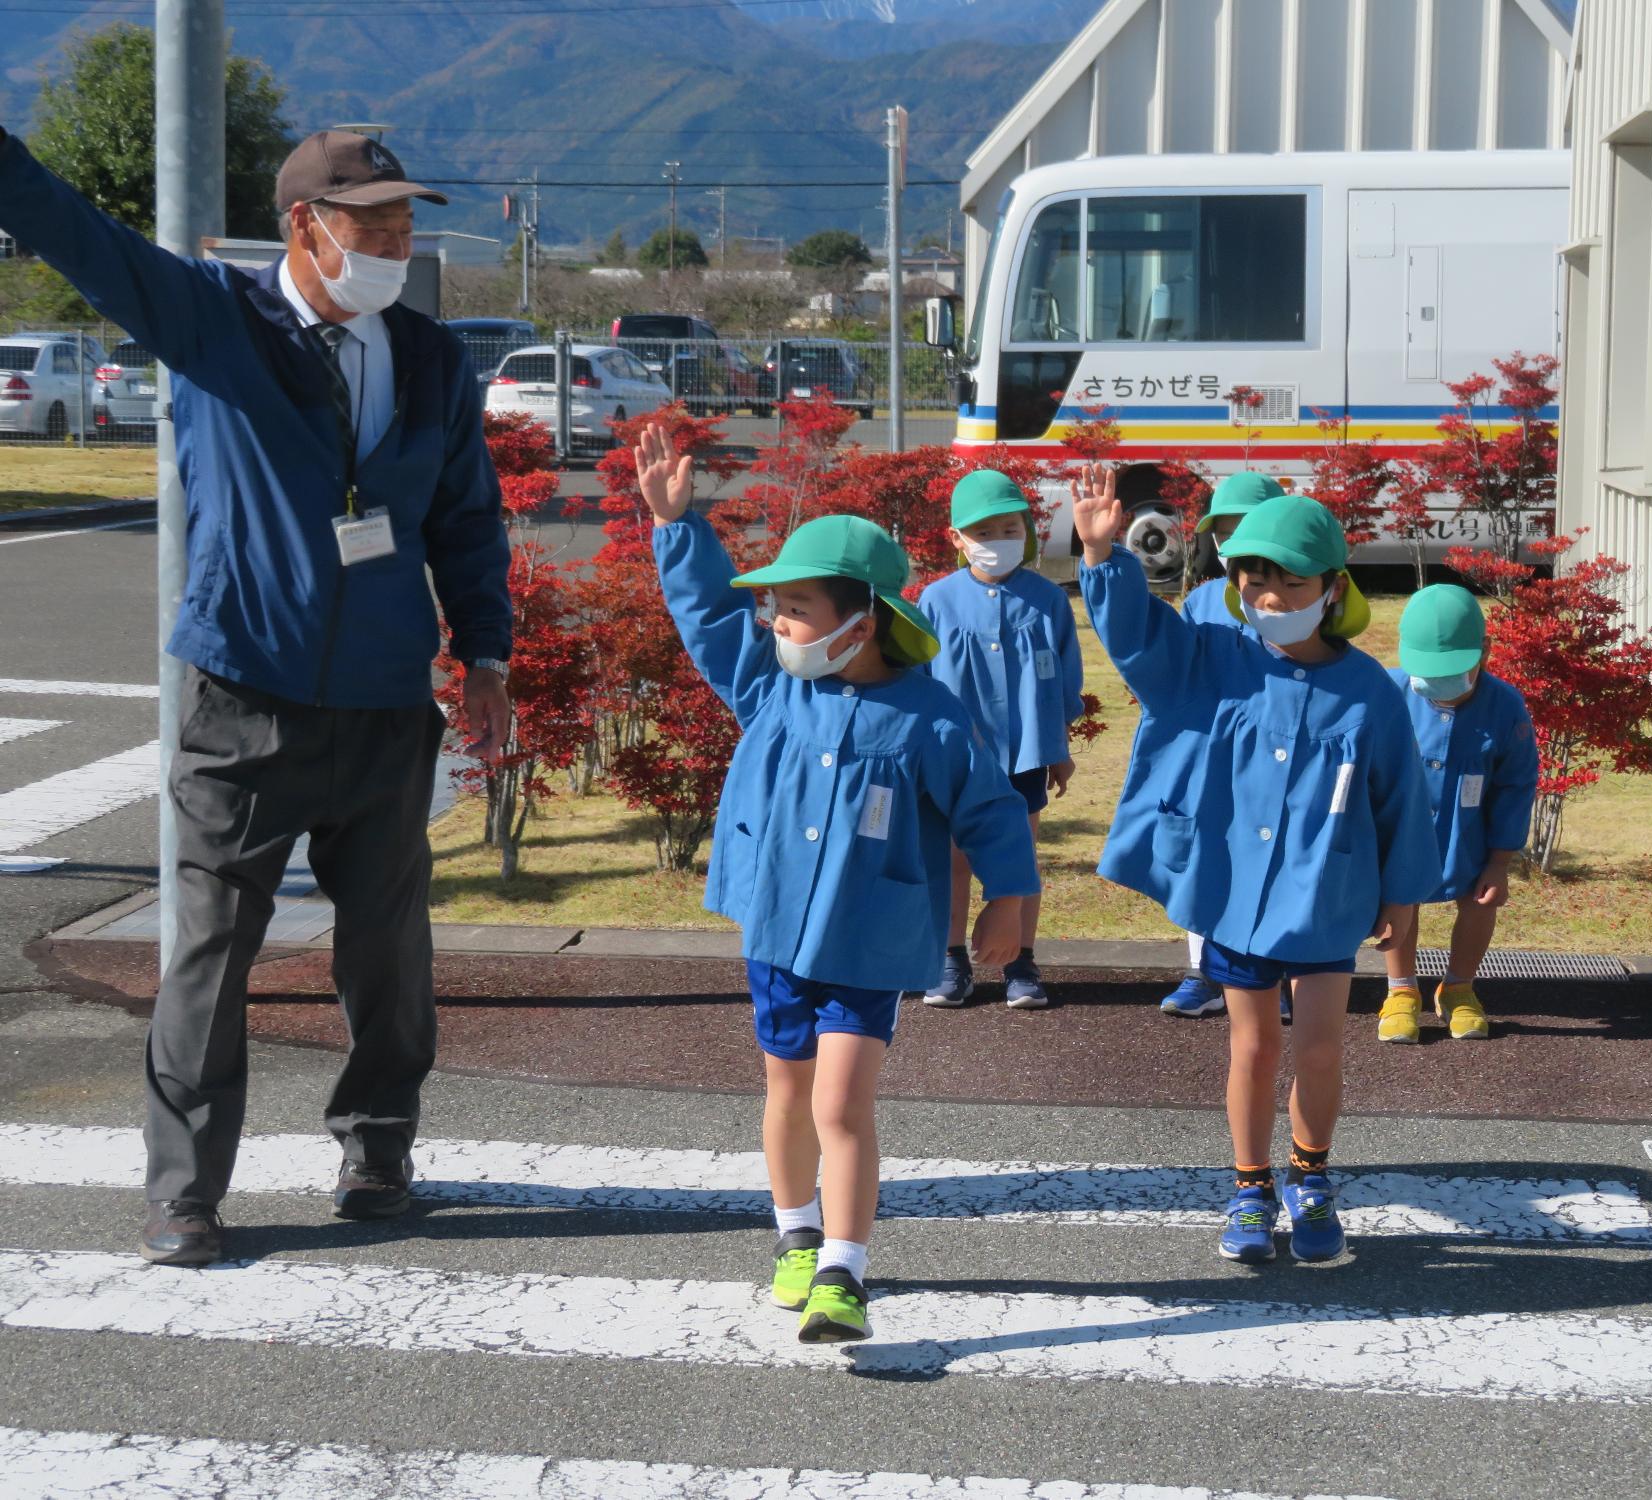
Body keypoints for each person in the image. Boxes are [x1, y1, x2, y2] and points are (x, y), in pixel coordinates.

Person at [0, 127, 513, 1267]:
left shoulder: (429, 357)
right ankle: (185, 1193)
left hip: (385, 706)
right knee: (210, 951)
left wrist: (484, 655)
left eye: (403, 226)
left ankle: (379, 1148)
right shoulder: (216, 322)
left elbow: (465, 519)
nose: (393, 244)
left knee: (388, 951)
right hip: (244, 697)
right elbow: (77, 235)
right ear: (304, 227)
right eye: (370, 226)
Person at [637, 431, 1038, 1342]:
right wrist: (676, 526)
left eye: (797, 607)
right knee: (785, 1092)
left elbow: (990, 814)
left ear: (865, 616)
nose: (776, 621)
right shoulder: (769, 686)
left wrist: (1010, 901)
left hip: (868, 939)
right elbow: (706, 615)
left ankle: (844, 1271)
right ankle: (793, 1233)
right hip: (777, 930)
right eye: (774, 606)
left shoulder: (928, 715)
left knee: (840, 1104)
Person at [1075, 472, 1440, 1264]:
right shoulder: (1210, 657)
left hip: (1326, 891)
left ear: (1333, 587)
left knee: (1318, 1046)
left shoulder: (1370, 690)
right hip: (1236, 891)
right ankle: (1249, 1188)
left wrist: (1401, 901)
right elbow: (1138, 639)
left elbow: (1401, 801)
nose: (1269, 596)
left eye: (1289, 580)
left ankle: (1311, 1178)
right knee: (1251, 1048)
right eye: (1253, 577)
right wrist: (1104, 555)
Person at [917, 470, 1084, 1010]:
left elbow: (1065, 677)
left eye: (1008, 529)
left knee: (1021, 857)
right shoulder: (937, 600)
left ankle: (1022, 960)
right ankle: (950, 958)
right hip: (955, 757)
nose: (996, 542)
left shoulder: (1047, 599)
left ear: (1026, 531)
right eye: (982, 532)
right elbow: (918, 682)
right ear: (956, 537)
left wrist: (1058, 747)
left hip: (1028, 752)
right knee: (954, 857)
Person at [1380, 584, 1538, 1043]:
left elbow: (1515, 785)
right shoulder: (1391, 694)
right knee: (1400, 899)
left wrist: (1500, 860)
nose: (1437, 682)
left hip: (1470, 830)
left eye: (1451, 670)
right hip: (1403, 828)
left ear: (1484, 652)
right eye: (1426, 671)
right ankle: (1400, 990)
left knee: (1480, 900)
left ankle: (1459, 986)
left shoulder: (1505, 706)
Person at [1159, 472, 1283, 1019]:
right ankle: (1201, 972)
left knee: (1270, 856)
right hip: (1213, 754)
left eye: (1245, 530)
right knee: (1204, 853)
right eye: (1223, 532)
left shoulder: (1297, 599)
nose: (1231, 543)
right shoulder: (1203, 600)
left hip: (1278, 756)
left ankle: (1271, 973)